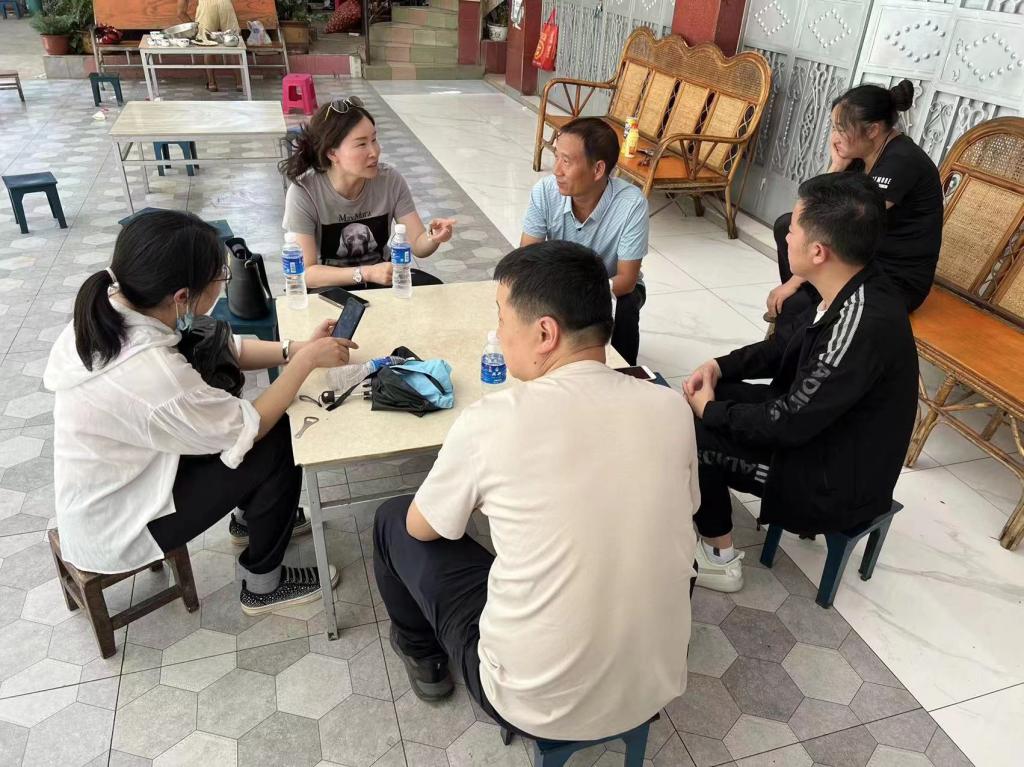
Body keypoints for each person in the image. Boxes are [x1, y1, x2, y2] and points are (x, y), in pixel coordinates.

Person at [373, 242, 698, 738]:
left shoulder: (493, 421)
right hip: (656, 684)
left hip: (531, 702)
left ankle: (423, 655)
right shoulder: (670, 407)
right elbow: (680, 506)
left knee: (393, 520)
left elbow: (422, 527)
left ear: (545, 333)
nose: (498, 333)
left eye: (501, 318)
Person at [44, 211, 356, 615]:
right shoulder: (151, 374)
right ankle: (263, 585)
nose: (223, 285)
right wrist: (305, 364)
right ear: (182, 297)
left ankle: (252, 520)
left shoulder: (116, 306)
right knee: (278, 436)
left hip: (119, 485)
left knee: (249, 414)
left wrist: (294, 349)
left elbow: (222, 347)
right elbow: (250, 426)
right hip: (123, 524)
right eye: (220, 279)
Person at [684, 173, 919, 593]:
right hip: (821, 433)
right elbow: (783, 348)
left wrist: (712, 412)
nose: (786, 235)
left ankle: (720, 562)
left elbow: (789, 421)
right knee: (700, 404)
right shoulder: (842, 283)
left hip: (834, 481)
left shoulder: (863, 322)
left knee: (696, 436)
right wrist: (720, 367)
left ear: (818, 251)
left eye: (792, 228)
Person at [766, 80, 942, 337]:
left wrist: (793, 283)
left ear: (872, 130)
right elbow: (809, 214)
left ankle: (806, 327)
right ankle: (808, 310)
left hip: (896, 278)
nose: (835, 137)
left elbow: (835, 224)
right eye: (833, 128)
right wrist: (837, 166)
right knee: (787, 228)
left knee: (796, 304)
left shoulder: (902, 161)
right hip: (863, 258)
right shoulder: (862, 156)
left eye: (842, 129)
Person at [280, 97, 456, 290]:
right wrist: (366, 273)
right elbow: (304, 273)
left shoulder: (389, 180)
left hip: (381, 279)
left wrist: (433, 236)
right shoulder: (304, 192)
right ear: (332, 153)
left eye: (374, 139)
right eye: (361, 144)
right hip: (329, 286)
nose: (374, 152)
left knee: (434, 289)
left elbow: (417, 245)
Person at [520, 117, 649, 365]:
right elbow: (526, 259)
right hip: (559, 282)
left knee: (627, 305)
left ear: (598, 170)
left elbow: (627, 279)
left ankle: (625, 372)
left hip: (610, 286)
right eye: (556, 157)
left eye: (566, 161)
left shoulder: (631, 204)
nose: (556, 170)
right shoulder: (545, 192)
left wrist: (579, 296)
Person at [176, 0, 242, 92]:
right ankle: (240, 83)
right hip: (225, 3)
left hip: (206, 6)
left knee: (207, 45)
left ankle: (212, 84)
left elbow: (180, 13)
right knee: (233, 43)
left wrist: (196, 28)